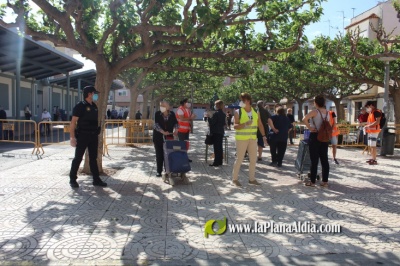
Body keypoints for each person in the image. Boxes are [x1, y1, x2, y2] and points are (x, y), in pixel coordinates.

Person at [69, 85, 107, 188]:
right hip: (82, 136)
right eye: (95, 94)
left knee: (93, 158)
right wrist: (72, 137)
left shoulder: (94, 106)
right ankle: (72, 179)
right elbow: (73, 123)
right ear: (89, 94)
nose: (96, 96)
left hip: (93, 136)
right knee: (78, 158)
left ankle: (96, 179)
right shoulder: (80, 106)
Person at [232, 93, 267, 187]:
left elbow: (260, 124)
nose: (241, 102)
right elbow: (235, 126)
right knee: (239, 159)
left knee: (253, 159)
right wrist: (244, 124)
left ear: (248, 101)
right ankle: (235, 179)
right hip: (241, 139)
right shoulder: (237, 112)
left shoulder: (256, 111)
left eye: (243, 100)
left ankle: (252, 179)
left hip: (252, 139)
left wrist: (264, 136)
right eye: (241, 100)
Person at [302, 95, 330, 187]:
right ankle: (325, 181)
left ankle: (312, 181)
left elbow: (304, 119)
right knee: (324, 159)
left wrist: (310, 127)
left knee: (314, 160)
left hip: (315, 135)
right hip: (324, 137)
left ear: (315, 103)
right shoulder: (328, 112)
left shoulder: (315, 112)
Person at [153, 101, 179, 177]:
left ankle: (168, 170)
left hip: (169, 137)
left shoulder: (172, 114)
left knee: (168, 154)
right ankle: (159, 171)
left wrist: (176, 130)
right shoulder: (157, 114)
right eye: (161, 106)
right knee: (159, 154)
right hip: (158, 137)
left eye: (163, 106)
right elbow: (156, 125)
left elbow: (176, 123)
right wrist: (163, 132)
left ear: (168, 107)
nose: (161, 107)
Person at [176, 98, 196, 162]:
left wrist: (192, 117)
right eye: (187, 102)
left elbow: (188, 119)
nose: (188, 103)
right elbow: (182, 119)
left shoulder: (187, 110)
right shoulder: (180, 109)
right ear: (184, 103)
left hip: (186, 130)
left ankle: (184, 157)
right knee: (182, 145)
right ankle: (181, 158)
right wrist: (191, 118)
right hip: (181, 130)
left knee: (186, 144)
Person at [208, 100, 226, 167]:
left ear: (217, 106)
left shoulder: (216, 114)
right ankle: (220, 161)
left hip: (215, 132)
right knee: (220, 147)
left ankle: (216, 162)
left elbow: (212, 123)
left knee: (216, 147)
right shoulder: (223, 114)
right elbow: (224, 124)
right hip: (221, 132)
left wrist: (209, 117)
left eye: (215, 105)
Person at [364, 101, 382, 165]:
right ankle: (372, 158)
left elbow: (377, 122)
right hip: (371, 131)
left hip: (374, 131)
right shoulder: (371, 113)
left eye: (368, 107)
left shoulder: (376, 112)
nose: (367, 108)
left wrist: (368, 126)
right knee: (371, 146)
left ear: (371, 105)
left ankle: (374, 159)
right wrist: (367, 126)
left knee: (373, 146)